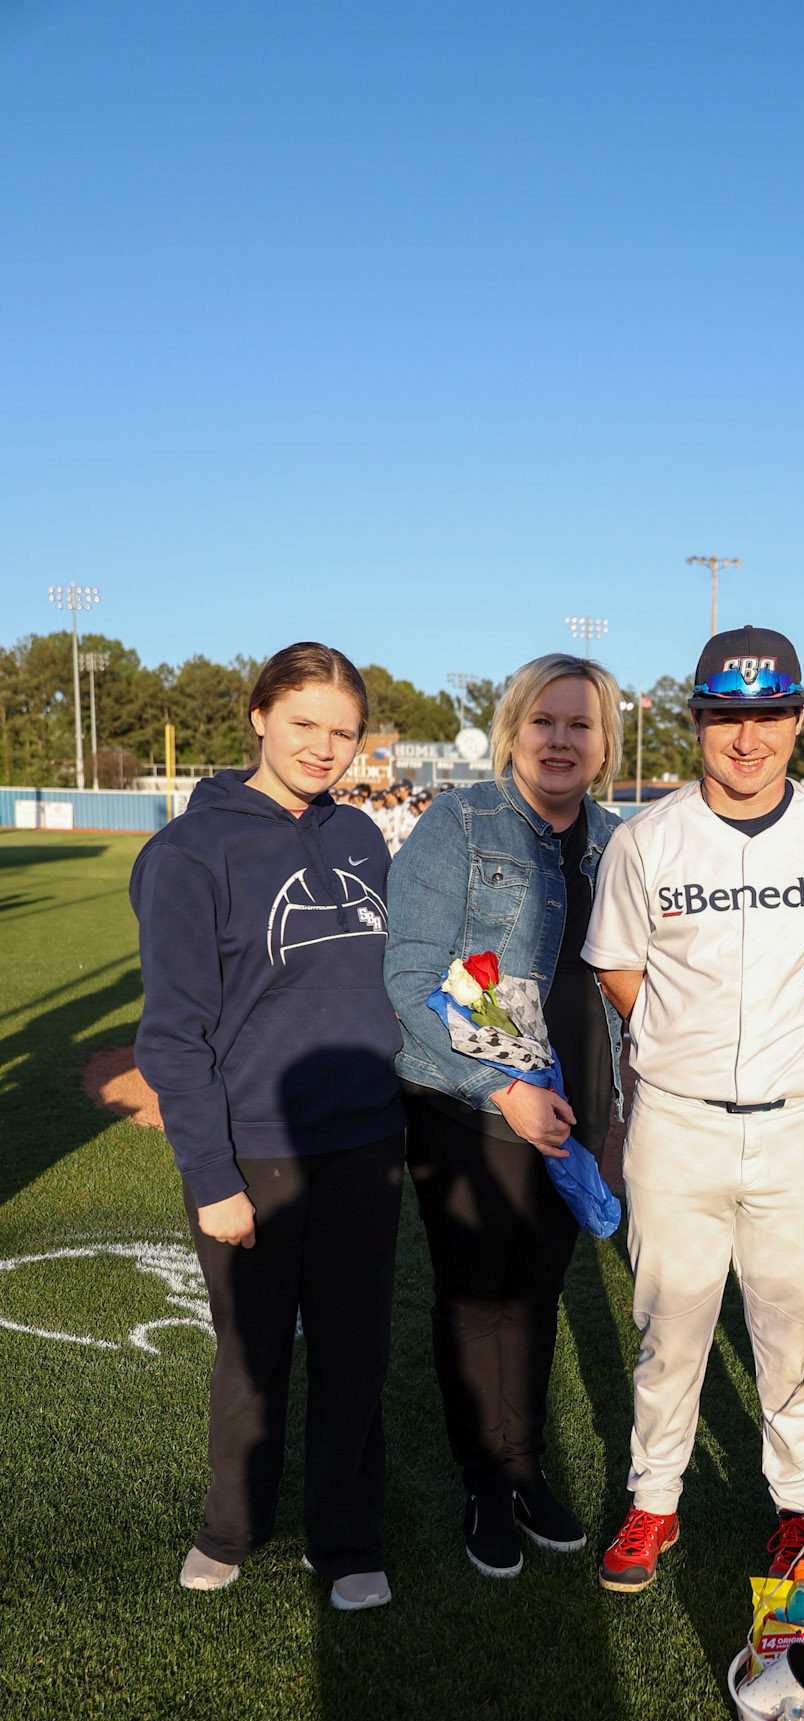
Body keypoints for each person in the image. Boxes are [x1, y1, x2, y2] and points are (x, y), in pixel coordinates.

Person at [584, 625, 804, 1594]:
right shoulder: (646, 838)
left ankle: (801, 1512)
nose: (746, 737)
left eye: (766, 714)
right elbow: (620, 968)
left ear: (797, 718)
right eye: (725, 716)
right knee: (669, 1326)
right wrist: (689, 1043)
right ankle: (654, 1499)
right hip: (678, 1120)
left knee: (792, 1332)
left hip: (801, 1119)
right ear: (699, 721)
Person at [129, 643, 406, 1611]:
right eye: (304, 723)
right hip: (254, 1147)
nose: (324, 747)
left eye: (343, 730)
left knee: (355, 1348)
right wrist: (211, 1173)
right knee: (253, 1355)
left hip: (366, 1142)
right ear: (258, 716)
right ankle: (231, 1526)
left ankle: (346, 1537)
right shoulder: (188, 853)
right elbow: (171, 1034)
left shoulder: (365, 839)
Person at [384, 654, 624, 1579]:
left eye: (580, 726)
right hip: (470, 1107)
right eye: (543, 722)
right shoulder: (458, 822)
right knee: (474, 1300)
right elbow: (409, 978)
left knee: (534, 1298)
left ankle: (524, 1471)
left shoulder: (616, 840)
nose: (561, 741)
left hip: (575, 1109)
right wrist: (504, 1091)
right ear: (513, 730)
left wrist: (616, 1101)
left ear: (604, 745)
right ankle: (484, 1481)